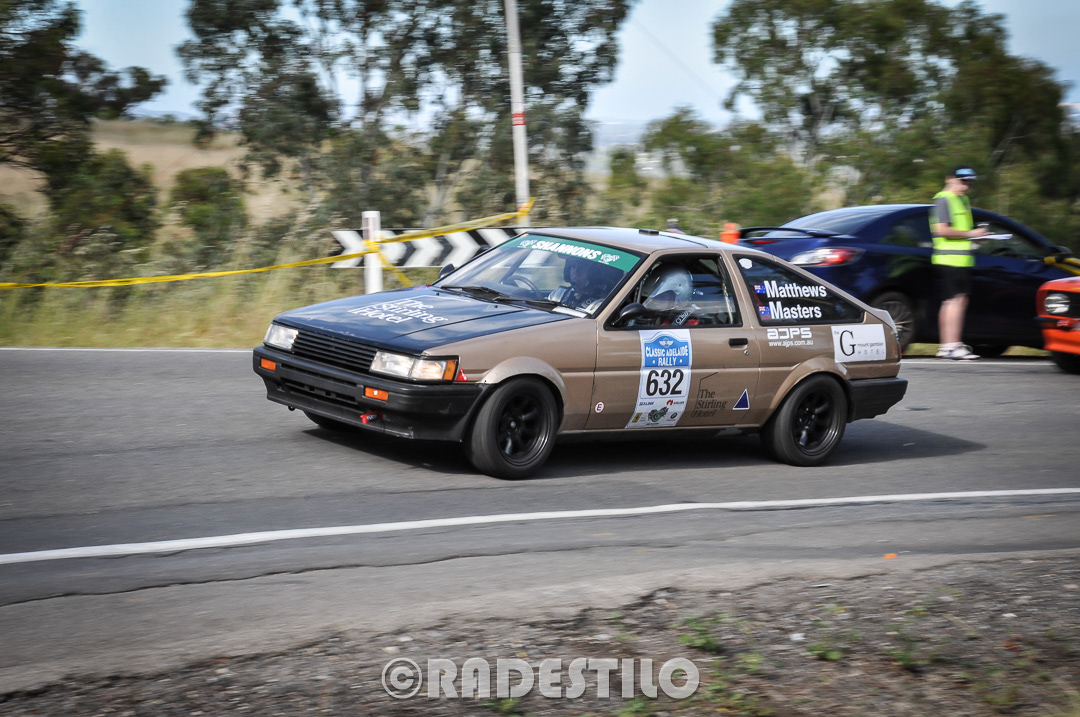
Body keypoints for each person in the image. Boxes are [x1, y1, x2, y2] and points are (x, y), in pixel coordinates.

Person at [931, 166, 988, 360]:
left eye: (968, 182)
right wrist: (972, 233)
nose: (966, 186)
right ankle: (950, 346)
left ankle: (950, 344)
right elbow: (941, 230)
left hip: (961, 259)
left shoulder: (962, 200)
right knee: (953, 301)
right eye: (962, 181)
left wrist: (976, 238)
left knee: (958, 300)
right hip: (948, 259)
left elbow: (960, 232)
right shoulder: (943, 199)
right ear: (949, 179)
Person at [548, 257, 617, 312]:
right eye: (574, 267)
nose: (576, 272)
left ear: (592, 275)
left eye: (581, 268)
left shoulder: (598, 304)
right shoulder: (558, 294)